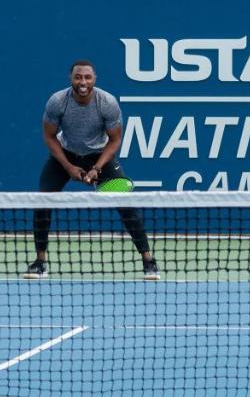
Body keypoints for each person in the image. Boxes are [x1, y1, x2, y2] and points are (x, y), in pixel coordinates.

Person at [25, 60, 160, 280]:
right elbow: (49, 136)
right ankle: (40, 262)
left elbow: (115, 140)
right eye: (78, 77)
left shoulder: (107, 103)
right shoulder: (57, 102)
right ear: (71, 78)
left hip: (100, 156)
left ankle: (148, 261)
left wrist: (97, 167)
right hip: (65, 156)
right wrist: (68, 167)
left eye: (87, 77)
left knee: (126, 205)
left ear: (94, 79)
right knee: (42, 202)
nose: (83, 82)